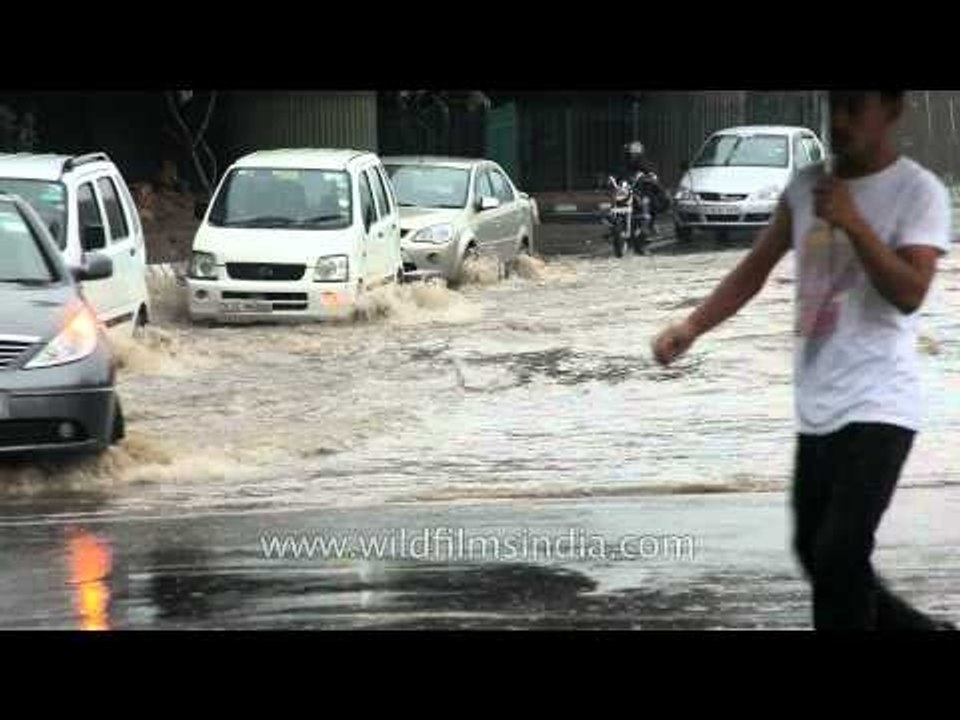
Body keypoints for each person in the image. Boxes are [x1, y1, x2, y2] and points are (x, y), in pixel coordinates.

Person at [651, 90, 955, 630]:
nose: (839, 120)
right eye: (834, 106)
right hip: (818, 405)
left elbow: (910, 291)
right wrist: (691, 326)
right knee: (816, 551)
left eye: (853, 107)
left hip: (882, 404)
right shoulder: (805, 186)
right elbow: (755, 268)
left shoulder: (918, 192)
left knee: (839, 551)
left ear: (890, 110)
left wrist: (855, 223)